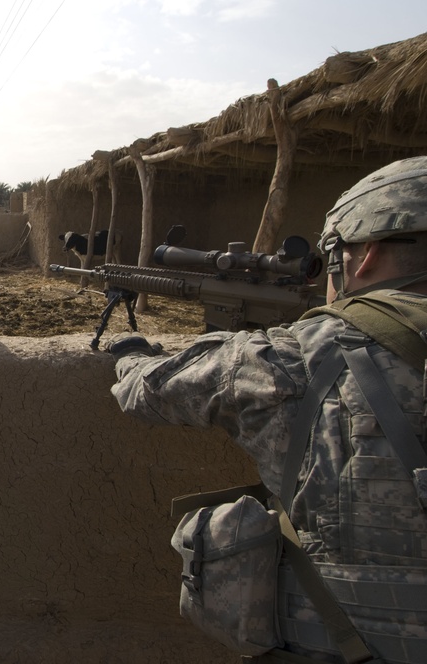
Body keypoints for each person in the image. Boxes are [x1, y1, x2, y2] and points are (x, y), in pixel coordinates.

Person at [107, 156, 427, 663]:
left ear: (363, 258)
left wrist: (130, 355)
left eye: (332, 259)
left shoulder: (293, 358)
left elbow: (149, 391)